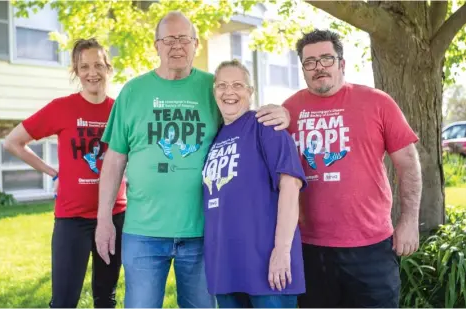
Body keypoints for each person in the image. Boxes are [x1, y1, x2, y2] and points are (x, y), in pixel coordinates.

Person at [95, 11, 291, 308]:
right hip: (143, 231)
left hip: (203, 232)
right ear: (156, 45)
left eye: (184, 39)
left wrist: (283, 113)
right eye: (169, 39)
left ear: (196, 44)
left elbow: (241, 111)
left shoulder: (213, 87)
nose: (177, 46)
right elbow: (114, 159)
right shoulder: (133, 91)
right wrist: (104, 218)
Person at [283, 29, 422, 308]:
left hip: (371, 249)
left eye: (326, 58)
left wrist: (408, 221)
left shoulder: (377, 102)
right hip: (311, 249)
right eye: (310, 62)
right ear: (303, 68)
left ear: (342, 63)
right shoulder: (290, 109)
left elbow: (408, 164)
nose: (318, 67)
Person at [3, 38, 127, 308]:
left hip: (115, 216)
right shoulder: (61, 108)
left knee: (106, 299)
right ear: (76, 71)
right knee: (63, 301)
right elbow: (12, 142)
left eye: (97, 65)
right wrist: (53, 173)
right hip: (73, 219)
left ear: (108, 68)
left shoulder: (120, 110)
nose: (91, 72)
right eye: (84, 67)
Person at [202, 59, 307, 308]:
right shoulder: (214, 137)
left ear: (250, 92)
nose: (229, 92)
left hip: (268, 269)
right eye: (222, 85)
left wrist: (282, 252)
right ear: (214, 91)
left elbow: (291, 188)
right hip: (225, 268)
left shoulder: (266, 126)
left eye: (238, 85)